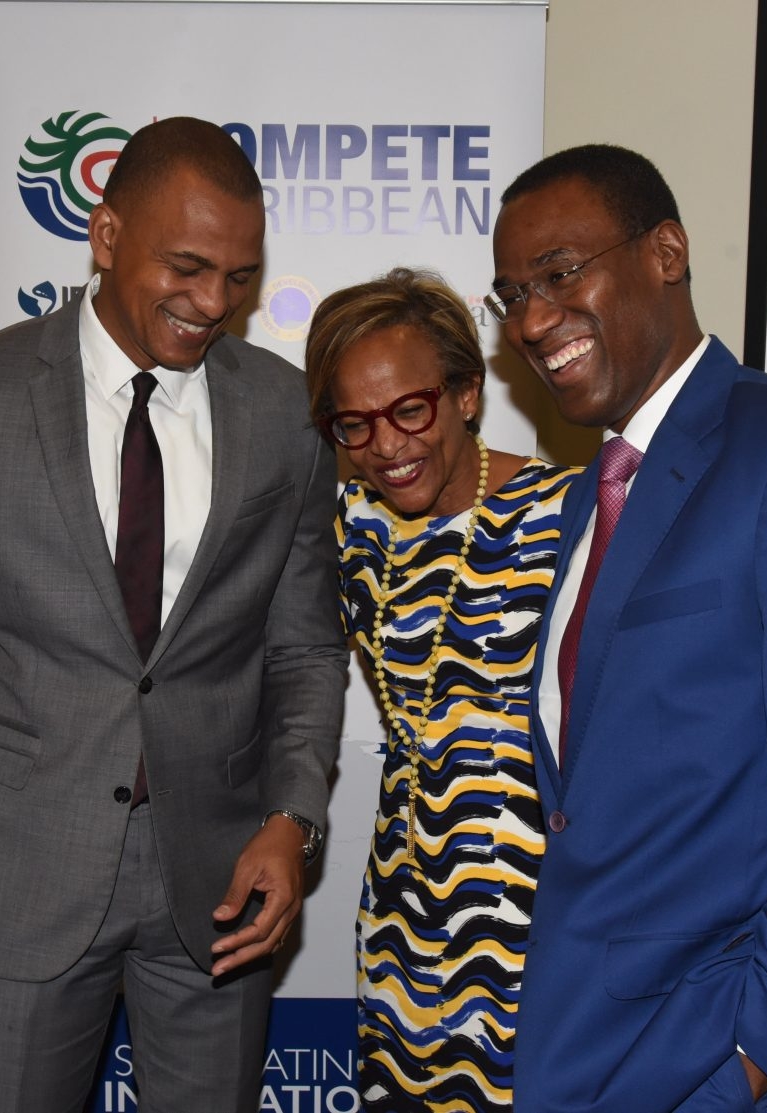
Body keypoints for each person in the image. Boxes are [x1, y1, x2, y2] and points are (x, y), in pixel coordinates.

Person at [485, 143, 767, 1112]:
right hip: (579, 1052)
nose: (531, 320)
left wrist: (757, 1062)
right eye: (510, 294)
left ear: (666, 252)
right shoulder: (592, 498)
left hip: (721, 1068)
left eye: (560, 274)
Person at [0, 116, 345, 1113]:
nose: (212, 303)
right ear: (104, 235)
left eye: (239, 276)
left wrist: (291, 818)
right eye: (186, 267)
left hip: (219, 883)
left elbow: (307, 645)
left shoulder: (283, 414)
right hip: (16, 883)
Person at [303, 268, 576, 1111]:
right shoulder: (353, 531)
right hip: (408, 922)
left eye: (409, 409)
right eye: (355, 423)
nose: (386, 445)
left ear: (465, 391)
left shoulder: (574, 518)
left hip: (543, 921)